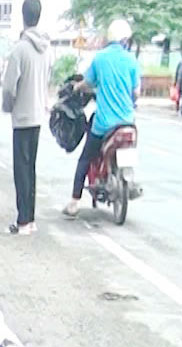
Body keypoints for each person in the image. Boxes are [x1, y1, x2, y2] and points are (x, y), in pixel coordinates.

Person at [62, 20, 139, 219]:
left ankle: (73, 201)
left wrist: (77, 88)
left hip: (105, 124)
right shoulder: (131, 60)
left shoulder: (100, 59)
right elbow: (136, 92)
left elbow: (88, 83)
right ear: (125, 40)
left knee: (85, 158)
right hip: (128, 123)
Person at [1, 2, 49, 236]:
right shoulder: (47, 48)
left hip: (22, 117)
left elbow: (9, 87)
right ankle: (30, 218)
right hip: (38, 115)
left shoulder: (20, 49)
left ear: (23, 16)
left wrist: (8, 107)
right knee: (31, 169)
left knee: (21, 170)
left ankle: (22, 221)